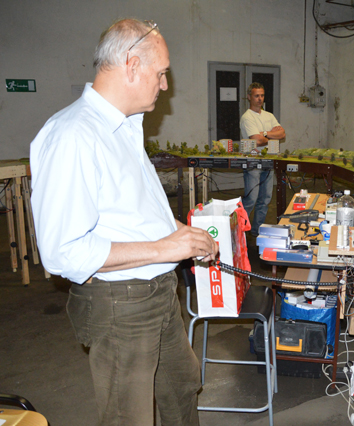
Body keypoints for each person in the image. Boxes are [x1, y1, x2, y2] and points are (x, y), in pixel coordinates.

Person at [30, 19, 218, 426]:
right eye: (161, 73)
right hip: (121, 304)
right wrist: (166, 248)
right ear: (132, 65)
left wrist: (180, 234)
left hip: (159, 291)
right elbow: (63, 252)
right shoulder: (74, 135)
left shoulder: (125, 127)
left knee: (182, 388)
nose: (164, 85)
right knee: (128, 416)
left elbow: (130, 209)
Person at [240, 82, 286, 236]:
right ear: (249, 97)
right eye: (256, 96)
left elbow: (282, 134)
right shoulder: (247, 117)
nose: (260, 99)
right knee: (251, 200)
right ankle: (239, 231)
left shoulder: (269, 116)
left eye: (262, 95)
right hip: (252, 162)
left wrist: (264, 133)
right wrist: (270, 136)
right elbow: (257, 140)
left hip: (268, 160)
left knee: (265, 199)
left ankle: (256, 231)